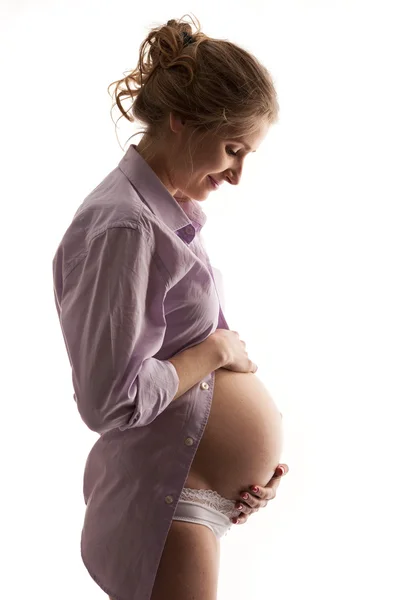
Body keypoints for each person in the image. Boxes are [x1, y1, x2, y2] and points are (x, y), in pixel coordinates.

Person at [52, 13, 288, 600]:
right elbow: (112, 399)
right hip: (166, 495)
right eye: (233, 149)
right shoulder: (125, 225)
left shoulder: (163, 215)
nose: (237, 175)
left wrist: (250, 470)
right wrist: (214, 352)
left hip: (191, 491)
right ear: (182, 121)